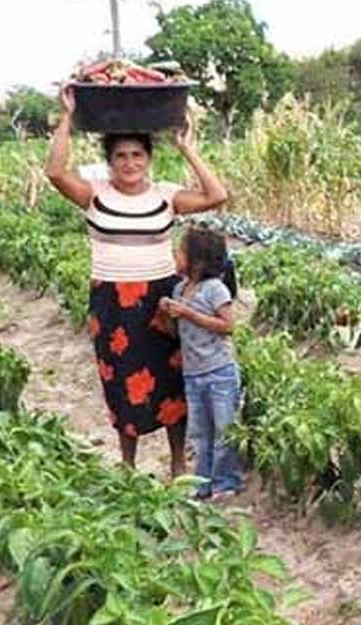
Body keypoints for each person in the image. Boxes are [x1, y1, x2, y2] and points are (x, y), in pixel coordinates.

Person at [46, 85, 229, 475]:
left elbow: (217, 195)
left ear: (148, 159)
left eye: (137, 154)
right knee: (119, 383)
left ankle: (178, 465)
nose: (129, 163)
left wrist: (186, 147)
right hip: (111, 301)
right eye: (121, 156)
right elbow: (55, 171)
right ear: (110, 161)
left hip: (161, 300)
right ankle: (128, 466)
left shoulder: (166, 196)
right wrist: (68, 116)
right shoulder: (93, 194)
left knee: (170, 381)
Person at [160, 227, 243, 500]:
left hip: (219, 371)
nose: (176, 255)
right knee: (200, 434)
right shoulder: (180, 289)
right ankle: (203, 484)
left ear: (196, 260)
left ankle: (225, 483)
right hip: (193, 373)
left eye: (181, 251)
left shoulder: (215, 289)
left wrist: (188, 313)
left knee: (224, 430)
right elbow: (175, 333)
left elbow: (228, 326)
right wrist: (167, 315)